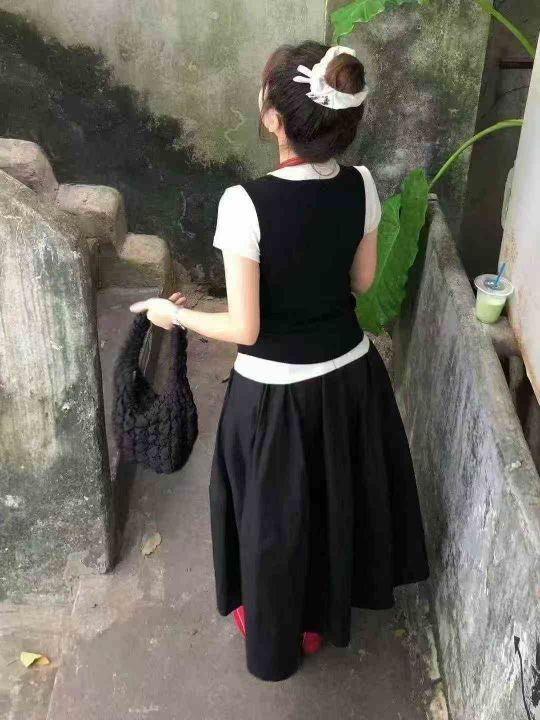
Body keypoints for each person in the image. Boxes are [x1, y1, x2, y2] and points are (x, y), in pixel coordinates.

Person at [130, 41, 429, 682]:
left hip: (274, 396)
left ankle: (278, 633)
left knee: (275, 519)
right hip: (351, 378)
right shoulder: (362, 184)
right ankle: (321, 613)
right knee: (329, 499)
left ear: (274, 118)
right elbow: (362, 281)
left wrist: (174, 315)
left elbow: (244, 327)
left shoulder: (244, 204)